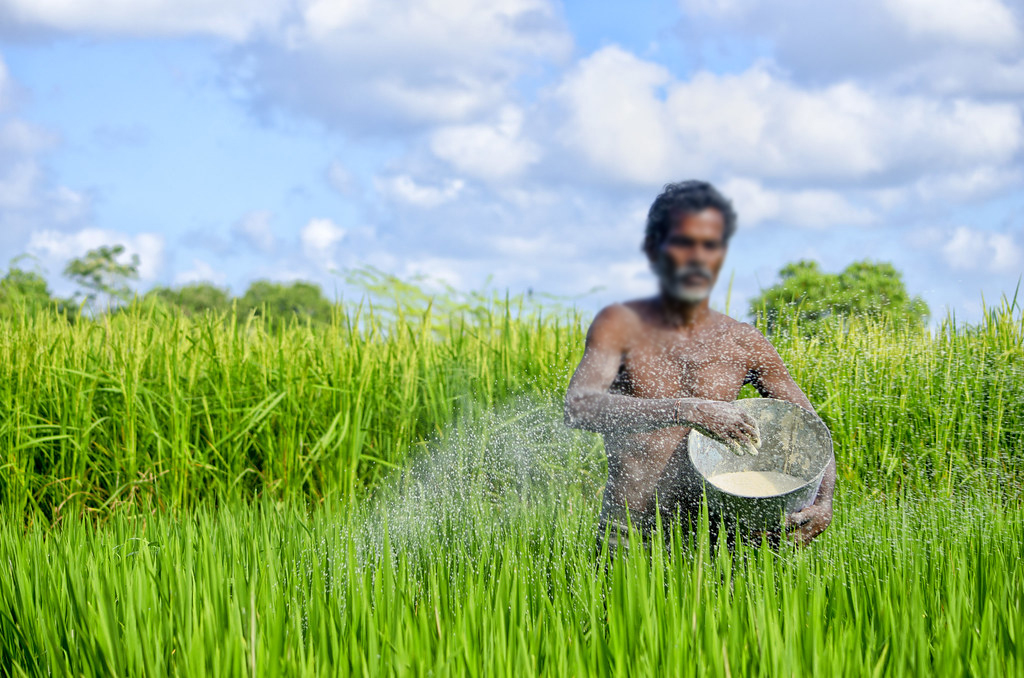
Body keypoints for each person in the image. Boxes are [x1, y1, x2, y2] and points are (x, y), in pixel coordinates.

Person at [563, 180, 835, 552]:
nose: (696, 256)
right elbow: (579, 407)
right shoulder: (620, 325)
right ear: (655, 247)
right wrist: (688, 410)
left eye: (709, 245)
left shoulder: (742, 341)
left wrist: (823, 501)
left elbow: (811, 428)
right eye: (683, 242)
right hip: (630, 536)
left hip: (724, 540)